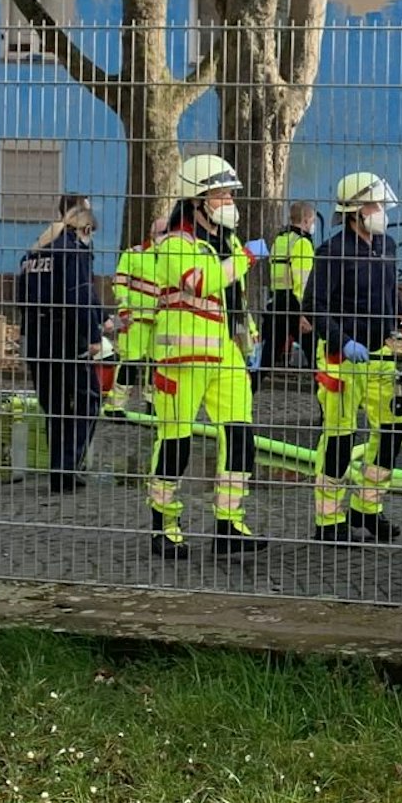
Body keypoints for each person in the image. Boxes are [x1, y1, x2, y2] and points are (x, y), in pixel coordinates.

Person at [145, 155, 265, 560]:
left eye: (230, 193)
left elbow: (234, 299)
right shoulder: (177, 244)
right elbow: (200, 283)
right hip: (182, 357)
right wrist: (245, 259)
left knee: (241, 437)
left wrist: (248, 337)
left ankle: (229, 524)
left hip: (226, 356)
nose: (230, 200)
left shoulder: (226, 242)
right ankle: (164, 523)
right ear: (197, 199)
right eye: (221, 193)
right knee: (176, 443)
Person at [308, 173, 402, 544]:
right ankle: (328, 520)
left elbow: (389, 294)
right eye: (373, 205)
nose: (380, 212)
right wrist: (343, 340)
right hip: (342, 358)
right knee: (341, 439)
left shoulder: (387, 245)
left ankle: (368, 507)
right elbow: (314, 306)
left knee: (394, 432)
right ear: (353, 211)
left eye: (381, 205)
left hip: (383, 357)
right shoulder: (332, 252)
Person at [17, 194, 107, 495]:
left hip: (37, 337)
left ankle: (59, 471)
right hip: (66, 336)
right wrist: (93, 338)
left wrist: (102, 317)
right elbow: (79, 295)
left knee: (55, 407)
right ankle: (67, 467)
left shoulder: (35, 251)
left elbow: (22, 297)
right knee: (88, 399)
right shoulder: (73, 250)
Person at [105, 219, 163, 416]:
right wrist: (124, 309)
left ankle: (153, 404)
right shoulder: (134, 254)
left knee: (158, 364)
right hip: (134, 319)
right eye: (163, 232)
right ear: (152, 233)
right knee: (130, 362)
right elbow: (120, 283)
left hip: (162, 321)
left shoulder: (174, 256)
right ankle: (115, 406)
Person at [264, 201, 319, 371]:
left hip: (278, 301)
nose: (313, 225)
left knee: (268, 356)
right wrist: (305, 312)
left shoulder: (279, 240)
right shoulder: (302, 243)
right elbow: (303, 280)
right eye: (312, 221)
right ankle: (326, 392)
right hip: (295, 304)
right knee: (316, 355)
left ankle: (249, 387)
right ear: (306, 220)